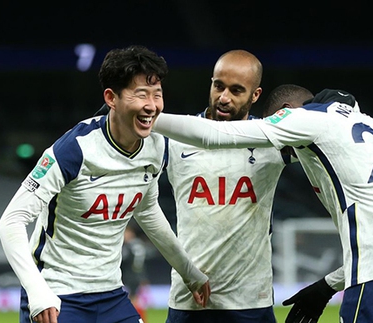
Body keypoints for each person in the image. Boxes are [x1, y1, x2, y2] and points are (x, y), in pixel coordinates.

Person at [152, 84, 373, 323]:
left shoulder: (303, 118)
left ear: (285, 112)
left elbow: (216, 134)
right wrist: (327, 286)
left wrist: (145, 115)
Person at [0, 45, 210, 323]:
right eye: (140, 94)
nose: (152, 105)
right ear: (111, 97)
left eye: (157, 95)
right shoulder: (73, 149)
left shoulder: (157, 146)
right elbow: (11, 221)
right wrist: (37, 290)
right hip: (57, 295)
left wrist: (189, 271)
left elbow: (147, 211)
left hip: (111, 294)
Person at [95, 49, 296, 323]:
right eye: (218, 86)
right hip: (189, 300)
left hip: (251, 300)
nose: (224, 98)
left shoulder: (272, 141)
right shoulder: (176, 138)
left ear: (255, 95)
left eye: (236, 90)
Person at [122, 224, 150, 322]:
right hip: (136, 275)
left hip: (131, 276)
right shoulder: (138, 244)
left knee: (132, 301)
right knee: (134, 300)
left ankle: (138, 320)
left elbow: (128, 260)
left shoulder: (129, 246)